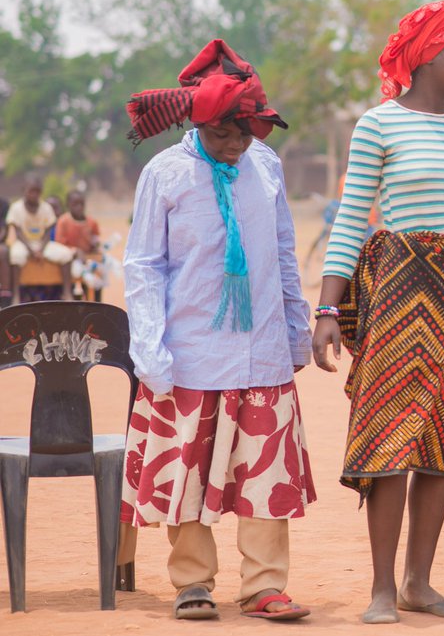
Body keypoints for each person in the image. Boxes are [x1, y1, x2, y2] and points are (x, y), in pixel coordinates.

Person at [312, 0, 444, 624]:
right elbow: (351, 221)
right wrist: (327, 308)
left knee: (440, 441)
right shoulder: (378, 125)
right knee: (387, 440)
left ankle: (418, 584)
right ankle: (381, 588)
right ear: (427, 55)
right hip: (400, 297)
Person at [120, 39, 318, 621]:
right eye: (224, 133)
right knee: (187, 469)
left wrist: (295, 328)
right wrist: (150, 348)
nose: (237, 144)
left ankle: (264, 585)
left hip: (262, 350)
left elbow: (283, 251)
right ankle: (192, 581)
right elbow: (144, 265)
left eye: (247, 133)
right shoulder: (166, 174)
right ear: (200, 124)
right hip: (190, 353)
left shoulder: (267, 166)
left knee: (265, 471)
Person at [6, 175, 73, 299]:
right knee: (16, 256)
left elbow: (47, 232)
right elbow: (18, 233)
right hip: (23, 243)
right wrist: (31, 250)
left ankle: (67, 292)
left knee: (66, 254)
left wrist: (41, 249)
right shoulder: (16, 208)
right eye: (31, 191)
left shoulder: (46, 208)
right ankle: (15, 295)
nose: (34, 194)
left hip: (43, 243)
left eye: (37, 191)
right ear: (24, 190)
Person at [55, 189, 103, 300]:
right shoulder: (63, 221)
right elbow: (59, 245)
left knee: (97, 277)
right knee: (73, 280)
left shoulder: (92, 222)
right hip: (70, 261)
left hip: (88, 259)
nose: (79, 207)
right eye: (75, 204)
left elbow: (96, 240)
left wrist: (96, 246)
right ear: (68, 205)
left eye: (82, 204)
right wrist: (75, 251)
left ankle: (97, 304)